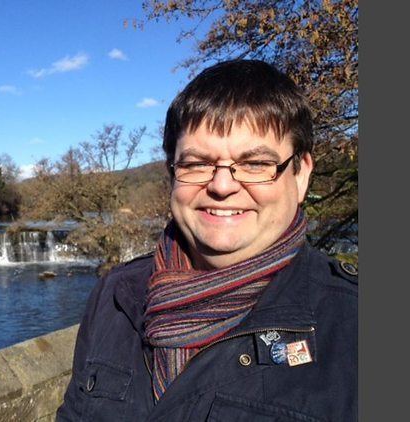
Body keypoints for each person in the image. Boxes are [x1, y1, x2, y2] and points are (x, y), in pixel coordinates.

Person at [56, 59, 357, 421]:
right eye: (197, 164)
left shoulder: (351, 322)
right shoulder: (115, 297)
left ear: (300, 174)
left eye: (255, 164)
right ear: (172, 173)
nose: (222, 185)